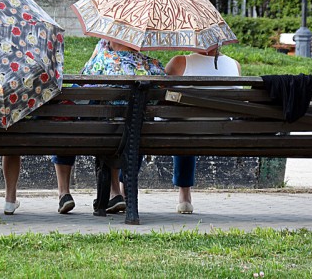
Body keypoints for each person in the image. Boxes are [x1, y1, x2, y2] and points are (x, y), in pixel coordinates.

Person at [52, 38, 165, 214]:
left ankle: (64, 192)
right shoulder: (152, 65)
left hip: (106, 134)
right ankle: (115, 194)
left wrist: (96, 55)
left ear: (114, 40)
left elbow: (80, 87)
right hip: (138, 135)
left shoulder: (102, 61)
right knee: (128, 131)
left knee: (65, 122)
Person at [165, 48, 242, 214]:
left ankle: (184, 196)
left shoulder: (179, 62)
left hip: (184, 132)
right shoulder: (234, 65)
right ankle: (185, 197)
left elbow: (159, 95)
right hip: (221, 132)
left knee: (183, 127)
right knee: (187, 126)